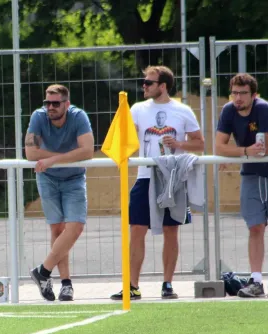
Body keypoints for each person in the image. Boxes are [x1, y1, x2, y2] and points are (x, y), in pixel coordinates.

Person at [110, 65, 204, 301]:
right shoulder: (138, 109)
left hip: (172, 176)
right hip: (144, 176)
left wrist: (179, 144)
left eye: (149, 82)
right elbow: (127, 138)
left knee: (171, 231)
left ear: (162, 86)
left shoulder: (182, 110)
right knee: (137, 230)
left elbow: (200, 144)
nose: (144, 86)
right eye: (144, 82)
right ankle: (132, 286)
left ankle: (168, 284)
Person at [25, 84, 94, 301]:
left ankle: (43, 271)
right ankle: (65, 284)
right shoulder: (38, 117)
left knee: (76, 226)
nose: (50, 107)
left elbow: (88, 150)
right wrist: (66, 156)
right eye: (48, 103)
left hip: (73, 178)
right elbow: (30, 152)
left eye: (55, 103)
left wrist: (53, 159)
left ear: (66, 103)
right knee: (57, 229)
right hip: (48, 178)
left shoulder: (78, 116)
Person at [215, 73, 267, 298]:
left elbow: (264, 148)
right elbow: (219, 146)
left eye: (243, 93)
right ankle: (256, 280)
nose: (238, 98)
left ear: (254, 95)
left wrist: (235, 152)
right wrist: (243, 152)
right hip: (250, 175)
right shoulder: (228, 110)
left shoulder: (263, 109)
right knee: (255, 227)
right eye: (234, 93)